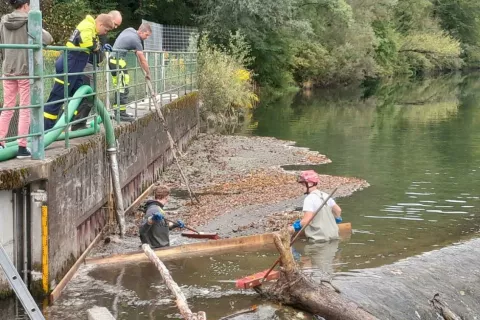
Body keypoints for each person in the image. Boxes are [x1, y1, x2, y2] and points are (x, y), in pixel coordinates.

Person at [0, 0, 53, 158]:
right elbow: (48, 39)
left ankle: (0, 139)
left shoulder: (3, 20)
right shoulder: (29, 20)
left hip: (7, 69)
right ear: (25, 6)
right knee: (25, 108)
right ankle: (22, 146)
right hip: (24, 70)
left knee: (7, 107)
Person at [43, 13, 114, 130]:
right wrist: (96, 48)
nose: (105, 33)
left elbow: (93, 45)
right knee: (57, 98)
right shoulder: (88, 25)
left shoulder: (91, 28)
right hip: (70, 64)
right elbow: (86, 42)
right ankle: (46, 130)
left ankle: (71, 125)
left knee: (83, 95)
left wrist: (99, 48)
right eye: (105, 30)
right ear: (100, 24)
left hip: (75, 66)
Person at [71, 10, 123, 131]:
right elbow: (90, 44)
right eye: (115, 24)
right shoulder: (94, 28)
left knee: (87, 95)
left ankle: (78, 123)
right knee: (88, 95)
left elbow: (96, 45)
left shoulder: (100, 30)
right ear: (108, 19)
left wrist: (102, 50)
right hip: (86, 64)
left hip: (90, 65)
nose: (114, 28)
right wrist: (98, 49)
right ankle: (77, 125)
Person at [109, 23, 152, 122]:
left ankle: (117, 112)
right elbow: (143, 60)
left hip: (112, 60)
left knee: (119, 87)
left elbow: (124, 41)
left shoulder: (130, 29)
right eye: (146, 35)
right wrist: (148, 73)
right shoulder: (137, 40)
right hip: (118, 62)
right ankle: (121, 114)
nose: (147, 37)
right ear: (141, 32)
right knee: (123, 88)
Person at [289, 170, 342, 242]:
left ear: (310, 183)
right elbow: (338, 211)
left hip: (319, 240)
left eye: (303, 185)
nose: (302, 187)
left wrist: (294, 227)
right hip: (334, 237)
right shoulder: (325, 195)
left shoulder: (309, 199)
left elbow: (306, 221)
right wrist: (332, 220)